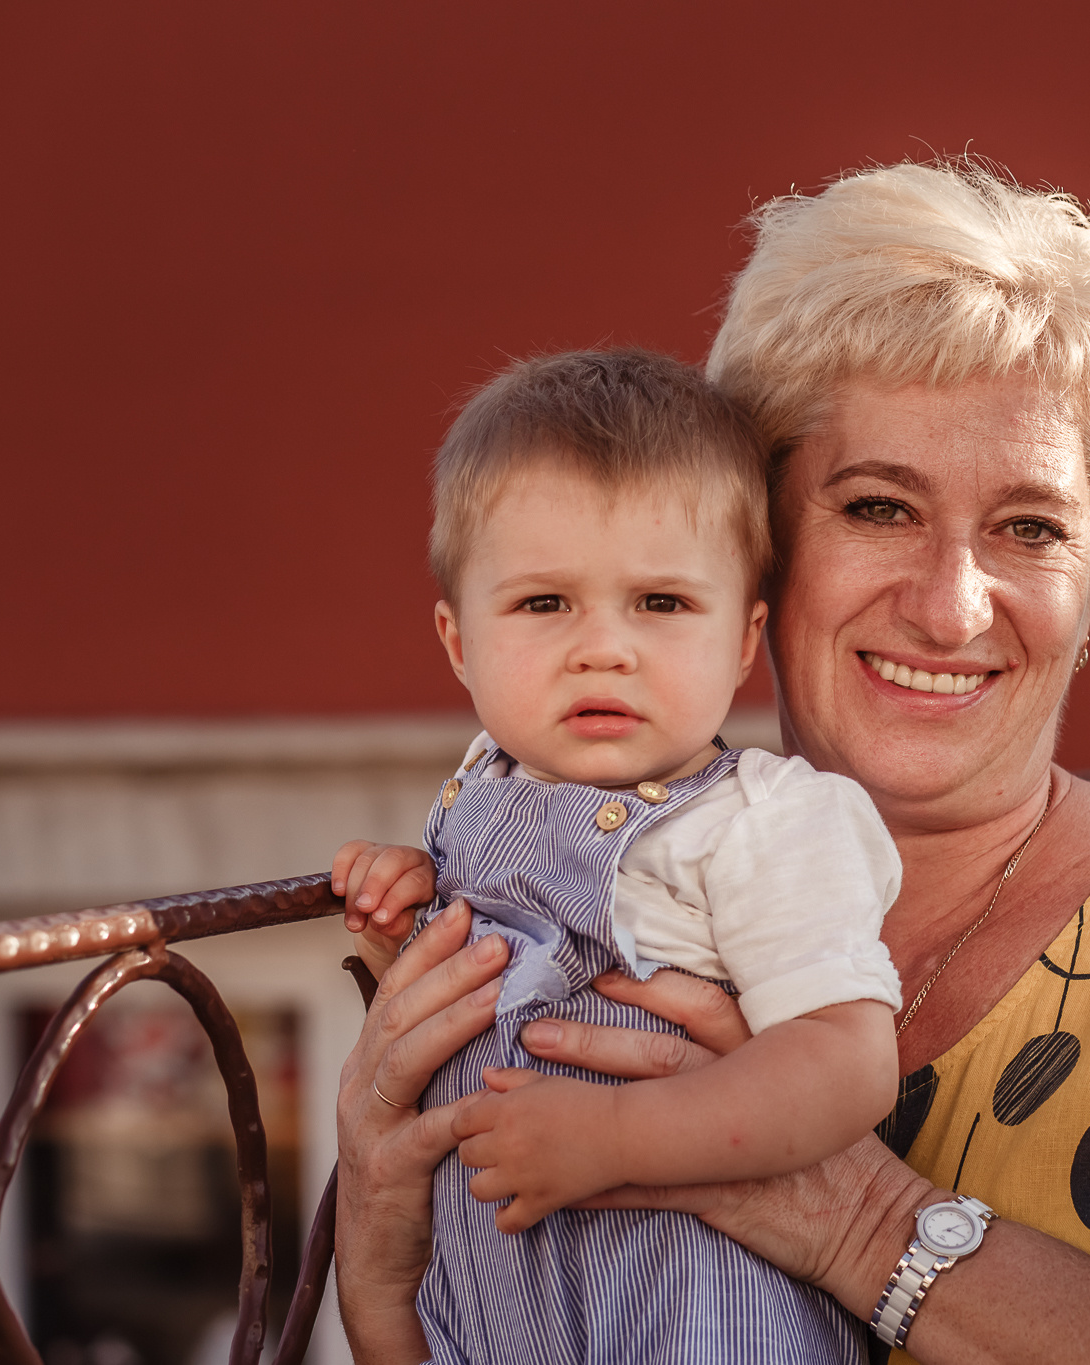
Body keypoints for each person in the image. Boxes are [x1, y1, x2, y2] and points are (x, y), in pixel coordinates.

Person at [334, 161, 1090, 1365]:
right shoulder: (554, 896)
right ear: (764, 546)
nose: (950, 609)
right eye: (878, 508)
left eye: (1030, 528)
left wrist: (857, 1219)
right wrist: (379, 1271)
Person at [334, 348, 905, 1362]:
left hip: (688, 1310)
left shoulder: (759, 822)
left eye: (661, 604)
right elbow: (483, 1005)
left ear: (742, 641)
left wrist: (615, 1141)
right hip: (497, 1309)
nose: (603, 647)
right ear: (457, 640)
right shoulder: (481, 789)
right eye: (544, 604)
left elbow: (845, 1063)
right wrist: (408, 918)